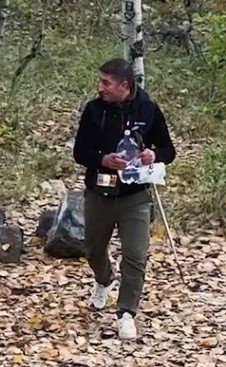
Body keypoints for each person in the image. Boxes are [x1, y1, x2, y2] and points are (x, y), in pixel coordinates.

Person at [72, 58, 177, 340]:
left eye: (107, 83)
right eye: (101, 81)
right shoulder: (94, 110)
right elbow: (79, 152)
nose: (100, 88)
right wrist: (103, 159)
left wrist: (154, 155)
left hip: (136, 196)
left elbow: (168, 149)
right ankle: (104, 279)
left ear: (124, 86)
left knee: (135, 255)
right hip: (100, 192)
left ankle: (126, 313)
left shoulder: (148, 109)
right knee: (93, 249)